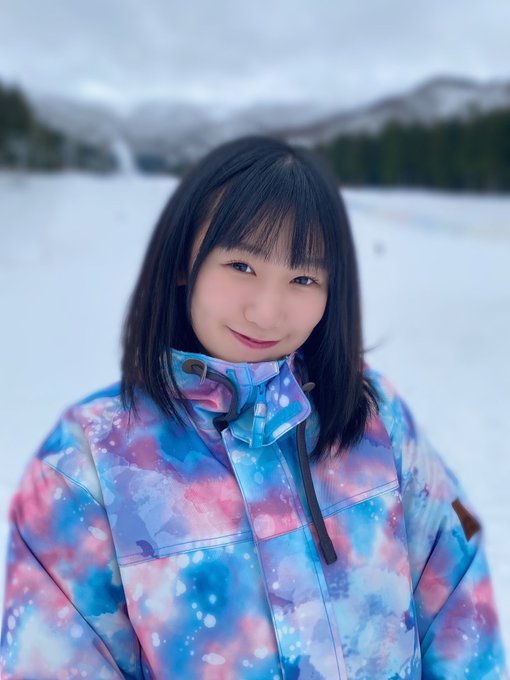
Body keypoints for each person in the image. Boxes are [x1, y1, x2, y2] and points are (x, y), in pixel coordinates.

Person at [0, 136, 506, 679]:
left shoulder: (374, 417)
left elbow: (459, 600)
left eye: (303, 278)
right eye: (241, 265)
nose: (267, 312)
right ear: (184, 261)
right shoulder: (87, 462)